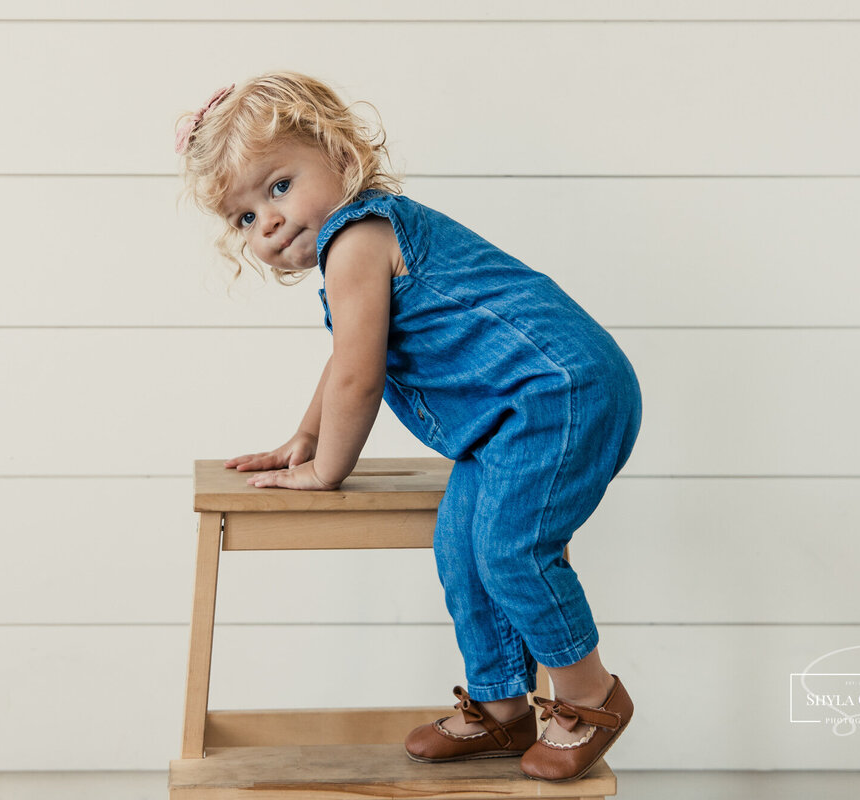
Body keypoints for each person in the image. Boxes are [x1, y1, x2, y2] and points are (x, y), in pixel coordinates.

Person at [174, 72, 642, 782]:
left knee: (512, 549)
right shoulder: (353, 246)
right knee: (460, 548)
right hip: (508, 417)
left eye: (277, 186)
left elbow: (361, 375)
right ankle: (501, 706)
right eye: (244, 218)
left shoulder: (359, 235)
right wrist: (304, 435)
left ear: (338, 151)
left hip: (559, 393)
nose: (266, 222)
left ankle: (588, 694)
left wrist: (326, 468)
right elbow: (347, 361)